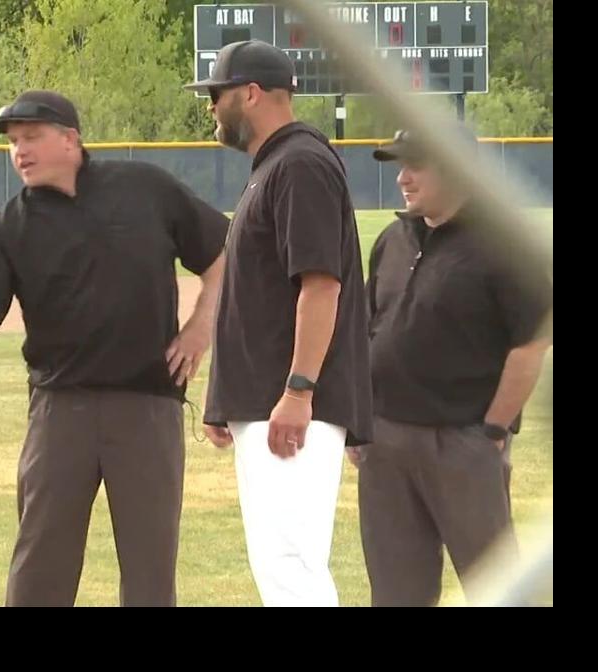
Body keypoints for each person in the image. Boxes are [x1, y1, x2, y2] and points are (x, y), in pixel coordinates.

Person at [0, 90, 229, 607]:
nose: (18, 151)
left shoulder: (144, 189)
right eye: (12, 142)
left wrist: (201, 325)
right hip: (59, 411)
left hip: (147, 408)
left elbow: (225, 252)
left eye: (31, 137)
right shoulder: (7, 228)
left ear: (70, 139)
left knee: (150, 569)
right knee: (40, 567)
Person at [184, 40, 373, 607]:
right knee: (280, 565)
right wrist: (227, 400)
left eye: (216, 95)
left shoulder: (300, 163)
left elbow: (321, 285)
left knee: (292, 566)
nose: (211, 108)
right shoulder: (274, 166)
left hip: (292, 409)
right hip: (270, 404)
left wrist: (298, 390)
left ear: (250, 92)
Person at [357, 128, 553, 606]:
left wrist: (491, 430)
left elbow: (532, 342)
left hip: (462, 443)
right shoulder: (393, 239)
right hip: (385, 443)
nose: (402, 178)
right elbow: (369, 330)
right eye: (399, 167)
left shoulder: (503, 245)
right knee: (396, 590)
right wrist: (360, 421)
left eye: (416, 166)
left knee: (496, 588)